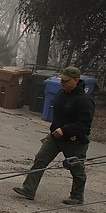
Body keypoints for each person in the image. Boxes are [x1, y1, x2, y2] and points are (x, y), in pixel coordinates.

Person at [13, 66, 94, 205]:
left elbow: (84, 124)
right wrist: (56, 129)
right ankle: (28, 189)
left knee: (77, 169)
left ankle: (77, 196)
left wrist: (66, 130)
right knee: (40, 159)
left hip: (75, 140)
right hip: (55, 136)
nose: (62, 82)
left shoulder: (85, 101)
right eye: (61, 79)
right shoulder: (60, 94)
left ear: (76, 80)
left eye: (66, 80)